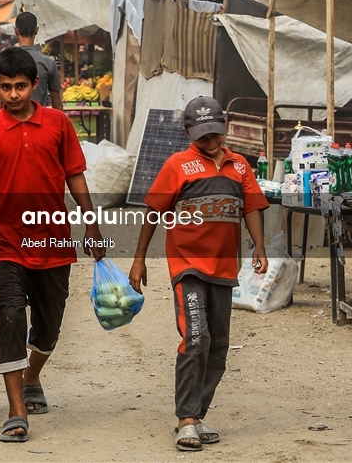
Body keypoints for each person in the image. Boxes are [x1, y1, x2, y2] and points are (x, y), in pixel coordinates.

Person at [0, 47, 106, 443]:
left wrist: (91, 224)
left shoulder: (58, 123)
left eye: (21, 86)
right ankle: (16, 410)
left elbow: (75, 176)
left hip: (53, 240)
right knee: (11, 317)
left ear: (36, 85)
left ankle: (32, 376)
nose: (13, 95)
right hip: (5, 241)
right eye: (6, 87)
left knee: (49, 326)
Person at [129, 96, 268, 453]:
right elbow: (153, 211)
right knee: (196, 337)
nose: (210, 140)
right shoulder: (178, 165)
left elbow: (252, 207)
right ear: (188, 132)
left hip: (224, 268)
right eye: (202, 134)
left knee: (218, 344)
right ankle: (186, 419)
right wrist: (139, 259)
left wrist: (259, 246)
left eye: (215, 133)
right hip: (187, 266)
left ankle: (198, 413)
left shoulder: (240, 166)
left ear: (225, 128)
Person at [0, 12, 62, 113]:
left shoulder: (2, 61)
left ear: (16, 30)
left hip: (9, 120)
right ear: (36, 30)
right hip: (38, 120)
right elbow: (57, 104)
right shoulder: (48, 63)